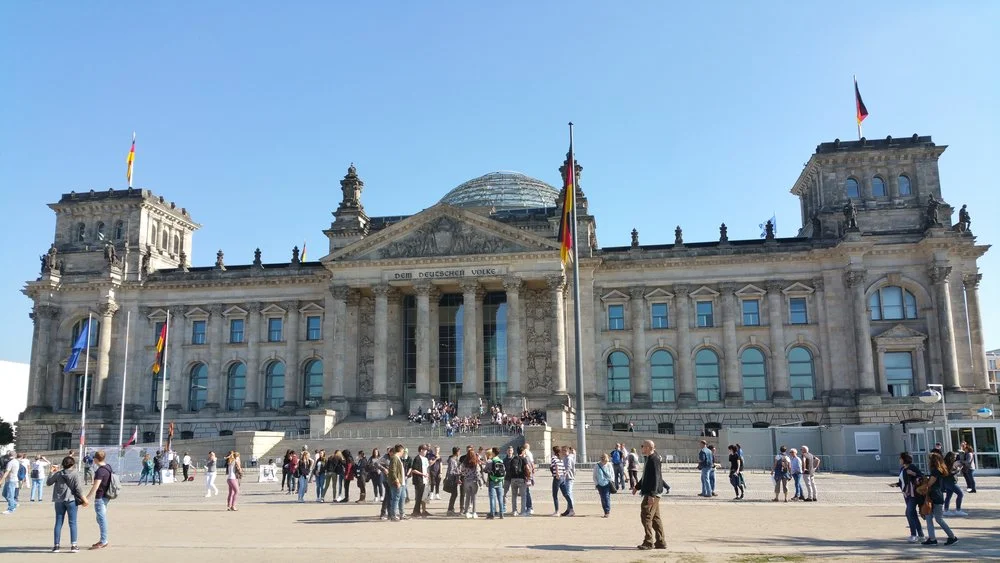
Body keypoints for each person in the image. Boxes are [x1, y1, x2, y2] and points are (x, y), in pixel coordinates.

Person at [47, 455, 88, 553]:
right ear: (72, 464)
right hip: (71, 500)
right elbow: (78, 488)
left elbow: (48, 482)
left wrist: (51, 472)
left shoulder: (58, 474)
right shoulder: (75, 474)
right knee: (72, 522)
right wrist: (84, 499)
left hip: (59, 500)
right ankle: (73, 545)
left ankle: (56, 546)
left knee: (58, 522)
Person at [631, 440, 666, 550]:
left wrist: (652, 495)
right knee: (655, 518)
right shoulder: (649, 458)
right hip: (652, 492)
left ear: (648, 447)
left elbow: (656, 477)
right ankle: (660, 541)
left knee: (646, 515)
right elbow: (646, 476)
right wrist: (637, 487)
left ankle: (648, 541)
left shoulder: (654, 459)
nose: (641, 448)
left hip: (652, 493)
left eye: (642, 446)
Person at [921, 451, 959, 546]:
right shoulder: (940, 469)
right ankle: (932, 539)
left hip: (935, 496)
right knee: (929, 517)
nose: (928, 461)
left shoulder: (936, 471)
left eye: (929, 459)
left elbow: (930, 484)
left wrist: (922, 485)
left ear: (933, 461)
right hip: (934, 495)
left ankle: (952, 537)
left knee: (938, 519)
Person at [889, 452, 924, 543]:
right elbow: (902, 481)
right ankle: (921, 535)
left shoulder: (912, 467)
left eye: (901, 458)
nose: (899, 460)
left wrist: (913, 474)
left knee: (909, 513)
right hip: (906, 494)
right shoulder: (902, 468)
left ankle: (913, 535)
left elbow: (921, 476)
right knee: (913, 514)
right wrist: (896, 484)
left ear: (905, 459)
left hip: (913, 494)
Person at [84, 450, 112, 550]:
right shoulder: (108, 467)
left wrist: (87, 498)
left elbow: (95, 486)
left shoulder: (100, 471)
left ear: (96, 459)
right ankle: (103, 539)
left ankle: (103, 540)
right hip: (106, 496)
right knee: (100, 518)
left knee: (101, 518)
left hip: (100, 497)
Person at [942, 451, 965, 516]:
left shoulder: (947, 463)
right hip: (950, 482)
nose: (955, 458)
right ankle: (958, 510)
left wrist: (956, 468)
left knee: (948, 496)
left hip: (948, 482)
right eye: (954, 457)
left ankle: (946, 510)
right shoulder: (947, 464)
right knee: (960, 494)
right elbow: (949, 473)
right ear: (950, 457)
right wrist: (958, 470)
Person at [509, 446, 529, 516]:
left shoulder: (513, 458)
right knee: (523, 496)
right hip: (521, 478)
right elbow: (527, 468)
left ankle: (514, 511)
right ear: (522, 452)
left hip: (513, 478)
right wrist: (528, 476)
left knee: (514, 495)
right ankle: (523, 511)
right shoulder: (524, 459)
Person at [410, 445, 429, 518]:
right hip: (419, 480)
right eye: (425, 450)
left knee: (423, 496)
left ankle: (420, 511)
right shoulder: (417, 458)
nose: (426, 452)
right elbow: (414, 470)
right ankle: (416, 511)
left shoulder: (425, 459)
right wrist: (422, 474)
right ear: (421, 450)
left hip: (424, 480)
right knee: (419, 496)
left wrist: (427, 474)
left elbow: (427, 468)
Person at [486, 447, 505, 519]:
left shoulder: (490, 461)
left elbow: (485, 470)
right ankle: (501, 513)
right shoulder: (501, 460)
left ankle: (492, 513)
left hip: (492, 480)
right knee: (500, 497)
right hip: (499, 480)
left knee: (492, 498)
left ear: (493, 453)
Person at [388, 444, 406, 521]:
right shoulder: (394, 458)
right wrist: (396, 481)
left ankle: (402, 514)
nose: (403, 452)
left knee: (402, 498)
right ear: (401, 450)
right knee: (396, 498)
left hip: (402, 482)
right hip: (397, 483)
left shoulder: (398, 458)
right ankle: (393, 515)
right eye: (403, 451)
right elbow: (392, 470)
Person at [461, 447, 480, 519]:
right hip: (473, 481)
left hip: (466, 481)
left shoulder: (464, 463)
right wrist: (479, 481)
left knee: (467, 497)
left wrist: (466, 475)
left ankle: (466, 512)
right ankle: (474, 512)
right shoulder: (475, 463)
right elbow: (477, 473)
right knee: (474, 497)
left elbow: (462, 471)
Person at [593, 453, 614, 517]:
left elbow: (612, 474)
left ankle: (607, 511)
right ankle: (605, 510)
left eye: (605, 460)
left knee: (606, 497)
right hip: (600, 484)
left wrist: (612, 481)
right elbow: (594, 475)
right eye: (603, 459)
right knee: (602, 498)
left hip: (607, 483)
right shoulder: (597, 465)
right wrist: (596, 484)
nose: (604, 462)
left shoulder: (609, 465)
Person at [445, 446, 461, 515]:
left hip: (454, 479)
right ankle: (450, 509)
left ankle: (451, 509)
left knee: (454, 494)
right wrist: (459, 473)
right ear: (457, 452)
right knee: (454, 494)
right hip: (452, 479)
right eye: (459, 451)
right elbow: (451, 471)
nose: (459, 453)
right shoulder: (452, 460)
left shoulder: (455, 459)